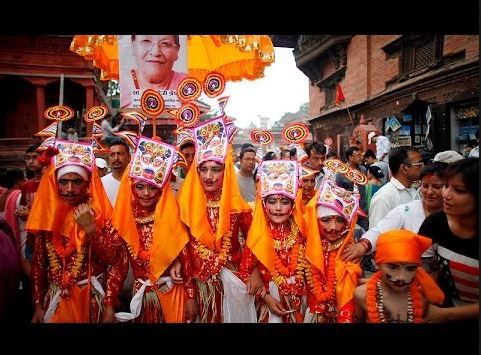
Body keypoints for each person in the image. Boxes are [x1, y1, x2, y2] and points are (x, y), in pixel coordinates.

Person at [93, 136, 190, 323]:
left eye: (152, 188)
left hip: (173, 294)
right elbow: (117, 266)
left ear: (162, 190)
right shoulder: (126, 219)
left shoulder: (173, 216)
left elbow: (187, 258)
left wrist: (192, 297)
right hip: (142, 295)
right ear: (131, 187)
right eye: (139, 187)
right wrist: (109, 304)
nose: (145, 193)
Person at [175, 117, 260, 322]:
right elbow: (185, 252)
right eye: (203, 169)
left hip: (234, 282)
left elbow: (254, 239)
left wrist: (254, 269)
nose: (208, 176)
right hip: (200, 286)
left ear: (227, 171)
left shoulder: (237, 206)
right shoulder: (187, 205)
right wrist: (190, 296)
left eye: (216, 169)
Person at [27, 141, 118, 323]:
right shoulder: (48, 215)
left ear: (87, 184)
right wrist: (38, 305)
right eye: (64, 182)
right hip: (55, 299)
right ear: (55, 183)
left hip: (91, 298)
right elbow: (38, 265)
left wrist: (91, 229)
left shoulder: (99, 214)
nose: (70, 189)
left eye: (77, 182)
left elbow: (113, 260)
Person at [342, 162, 447, 273]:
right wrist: (362, 246)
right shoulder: (407, 210)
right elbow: (379, 230)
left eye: (436, 187)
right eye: (425, 186)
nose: (429, 192)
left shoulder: (458, 215)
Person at [239, 159, 308, 323]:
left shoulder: (302, 230)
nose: (278, 208)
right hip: (272, 308)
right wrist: (265, 296)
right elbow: (245, 272)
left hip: (302, 305)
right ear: (264, 204)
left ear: (292, 204)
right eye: (272, 201)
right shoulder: (258, 234)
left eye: (284, 202)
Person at [419, 158, 479, 322]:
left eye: (459, 190)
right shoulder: (435, 223)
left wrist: (445, 315)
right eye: (446, 186)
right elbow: (422, 270)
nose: (446, 194)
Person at [303, 179, 363, 323]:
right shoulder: (303, 244)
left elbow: (350, 290)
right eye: (326, 220)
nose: (334, 227)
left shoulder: (349, 251)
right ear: (315, 220)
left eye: (340, 220)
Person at [353, 230, 444, 323]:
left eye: (410, 268)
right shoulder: (362, 294)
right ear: (378, 264)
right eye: (393, 267)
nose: (401, 277)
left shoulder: (423, 297)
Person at [120, 35, 187, 109]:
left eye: (165, 44)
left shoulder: (189, 84)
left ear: (176, 51)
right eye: (146, 41)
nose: (155, 52)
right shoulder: (120, 82)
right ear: (133, 46)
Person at [368, 147, 422, 229]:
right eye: (418, 165)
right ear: (404, 168)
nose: (422, 168)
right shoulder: (384, 197)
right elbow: (377, 234)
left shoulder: (414, 192)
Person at [101, 138, 131, 207]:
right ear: (108, 158)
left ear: (129, 157)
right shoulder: (101, 183)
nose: (116, 158)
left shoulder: (137, 183)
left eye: (120, 154)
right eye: (112, 154)